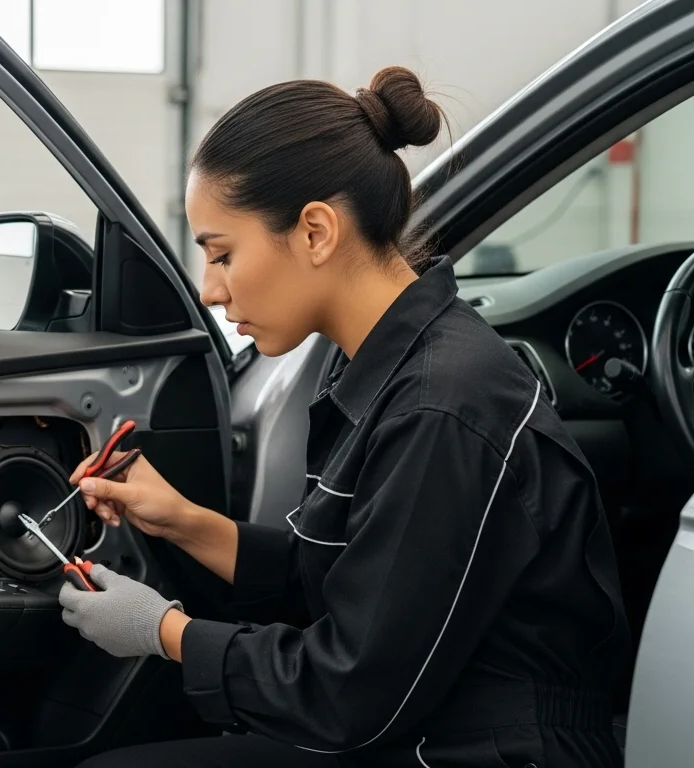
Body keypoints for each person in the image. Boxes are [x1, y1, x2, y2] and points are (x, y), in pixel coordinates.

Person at [56, 66, 630, 767]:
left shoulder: (441, 405)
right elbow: (346, 580)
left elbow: (348, 692)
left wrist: (163, 631)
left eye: (223, 254)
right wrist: (180, 519)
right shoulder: (380, 362)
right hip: (419, 722)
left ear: (317, 231)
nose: (209, 290)